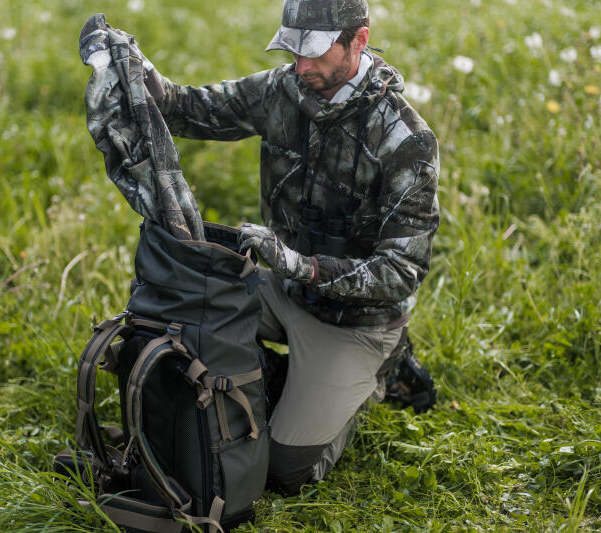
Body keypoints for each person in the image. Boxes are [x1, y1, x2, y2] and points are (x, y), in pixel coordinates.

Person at [142, 0, 440, 495]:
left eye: (316, 53)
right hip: (286, 290)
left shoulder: (406, 140)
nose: (302, 67)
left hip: (358, 323)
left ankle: (376, 377)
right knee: (185, 298)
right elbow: (193, 109)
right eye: (293, 51)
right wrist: (138, 73)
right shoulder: (283, 89)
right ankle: (276, 377)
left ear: (359, 41)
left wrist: (304, 266)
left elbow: (401, 271)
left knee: (283, 471)